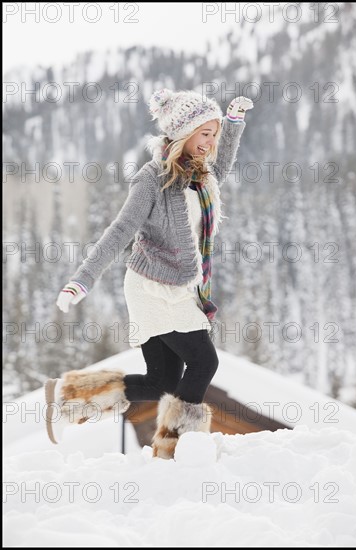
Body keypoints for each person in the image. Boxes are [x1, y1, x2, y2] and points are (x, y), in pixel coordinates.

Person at [45, 88, 253, 459]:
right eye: (204, 133)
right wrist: (82, 279)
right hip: (152, 288)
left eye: (214, 133)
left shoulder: (202, 175)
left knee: (162, 381)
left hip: (180, 288)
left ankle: (68, 396)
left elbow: (223, 168)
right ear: (182, 133)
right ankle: (178, 448)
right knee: (205, 361)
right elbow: (120, 231)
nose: (211, 141)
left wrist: (234, 124)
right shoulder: (152, 178)